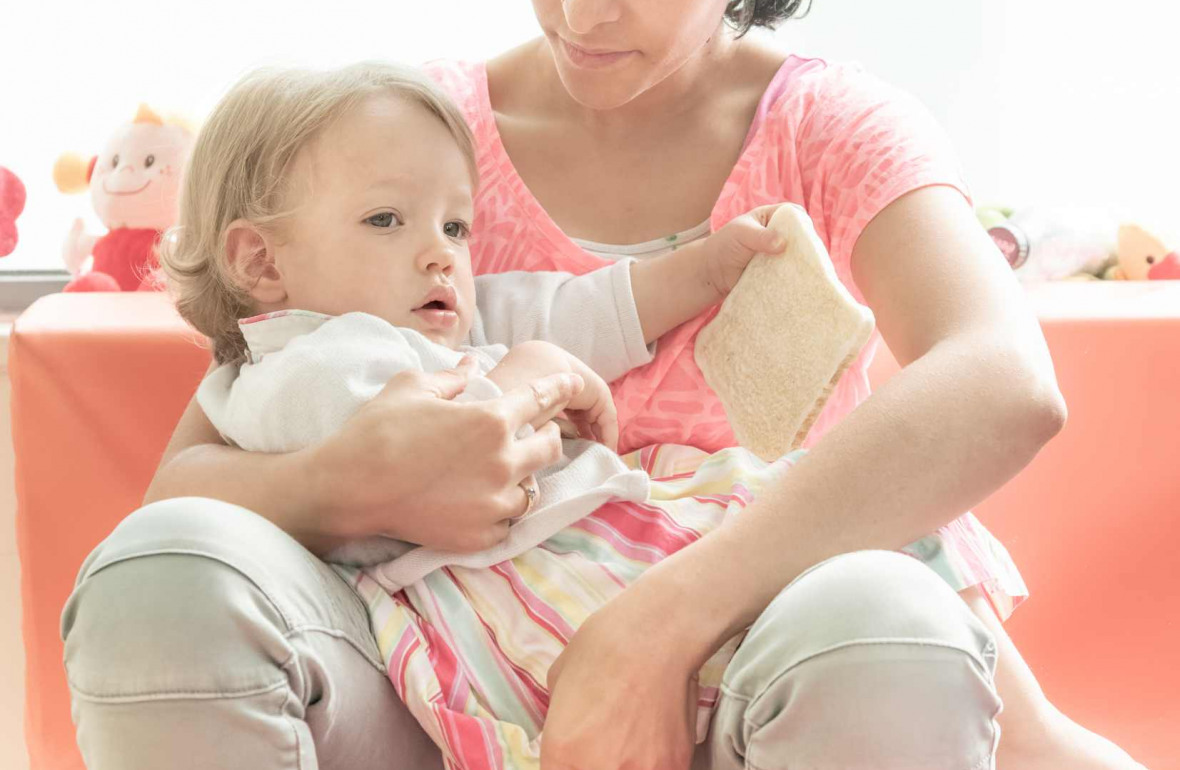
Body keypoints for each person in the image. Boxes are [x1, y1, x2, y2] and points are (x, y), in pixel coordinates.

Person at [60, 2, 1144, 769]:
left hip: (750, 639)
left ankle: (1036, 740)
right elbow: (191, 477)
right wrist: (353, 479)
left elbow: (1001, 380)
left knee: (892, 605)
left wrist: (650, 628)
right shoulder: (413, 139)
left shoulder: (829, 129)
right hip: (443, 645)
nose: (579, 12)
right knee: (161, 571)